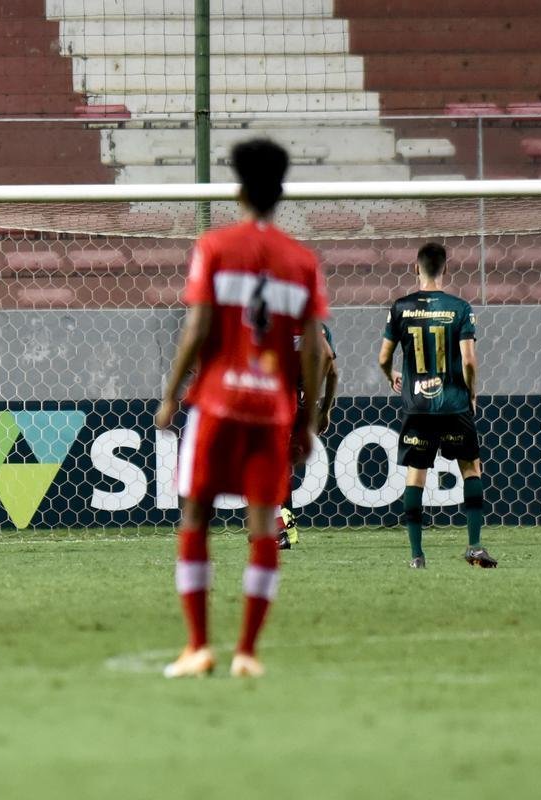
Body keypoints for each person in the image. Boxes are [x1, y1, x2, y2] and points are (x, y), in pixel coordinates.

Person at [155, 139, 329, 679]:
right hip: (270, 410)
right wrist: (307, 418)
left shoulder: (215, 246)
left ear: (237, 190)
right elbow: (316, 351)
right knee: (262, 525)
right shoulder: (302, 262)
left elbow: (199, 328)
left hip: (216, 403)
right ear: (281, 193)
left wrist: (168, 393)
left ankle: (199, 646)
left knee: (196, 516)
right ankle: (248, 653)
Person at [378, 242, 496, 569]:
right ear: (446, 268)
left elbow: (383, 358)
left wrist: (391, 376)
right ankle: (474, 546)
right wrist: (471, 393)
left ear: (415, 268)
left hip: (418, 407)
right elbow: (470, 361)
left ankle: (417, 556)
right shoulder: (459, 308)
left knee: (416, 477)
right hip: (454, 404)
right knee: (471, 469)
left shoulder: (400, 307)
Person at [277, 322, 338, 549]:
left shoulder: (277, 322)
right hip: (304, 401)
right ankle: (285, 528)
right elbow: (333, 371)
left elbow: (328, 356)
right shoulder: (320, 327)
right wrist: (325, 410)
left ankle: (284, 528)